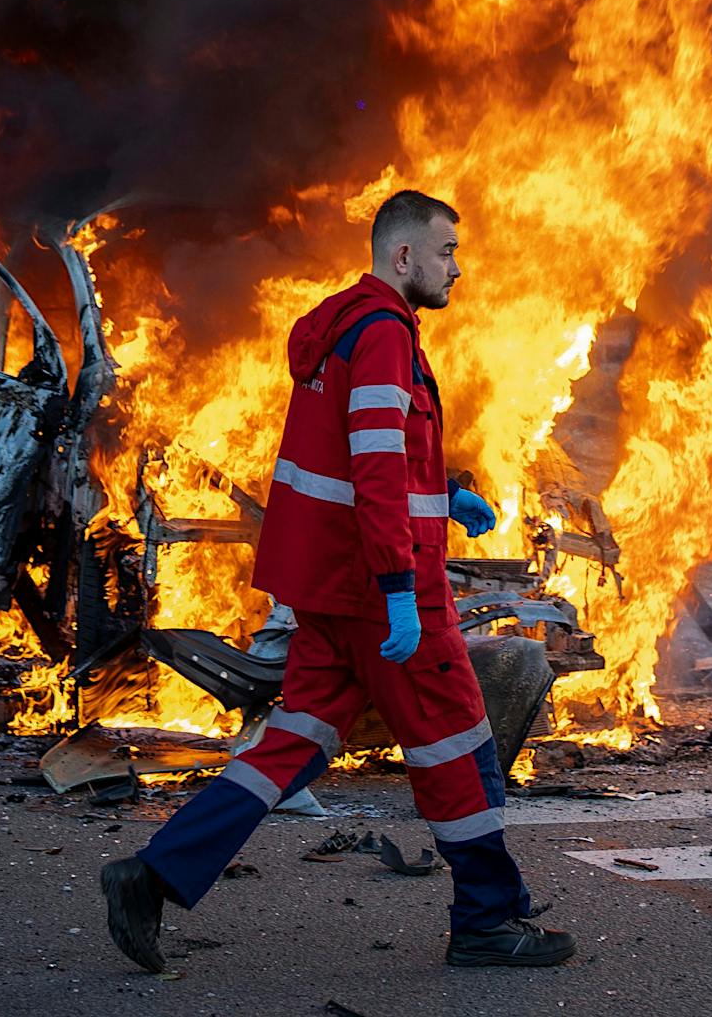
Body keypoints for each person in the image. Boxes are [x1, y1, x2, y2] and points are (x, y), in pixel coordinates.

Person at [100, 191, 574, 973]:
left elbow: (365, 456)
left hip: (327, 590)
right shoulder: (385, 335)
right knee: (460, 744)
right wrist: (398, 588)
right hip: (380, 593)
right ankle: (489, 920)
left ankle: (153, 876)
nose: (458, 265)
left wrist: (442, 495)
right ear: (403, 257)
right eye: (447, 250)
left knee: (294, 742)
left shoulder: (344, 325)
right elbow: (377, 468)